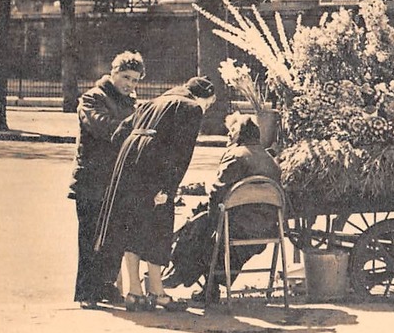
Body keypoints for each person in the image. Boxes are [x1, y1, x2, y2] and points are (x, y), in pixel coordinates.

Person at [95, 76, 217, 311]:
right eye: (209, 104)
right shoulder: (190, 108)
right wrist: (167, 189)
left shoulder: (152, 102)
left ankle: (134, 292)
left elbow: (119, 133)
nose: (207, 108)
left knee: (132, 225)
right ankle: (157, 291)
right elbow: (182, 154)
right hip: (155, 170)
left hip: (129, 165)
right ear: (202, 98)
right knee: (159, 227)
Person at [164, 113, 282, 303]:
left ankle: (182, 273)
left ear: (239, 134)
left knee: (198, 228)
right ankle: (201, 282)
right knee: (203, 227)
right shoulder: (270, 160)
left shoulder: (235, 155)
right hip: (266, 230)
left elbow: (217, 194)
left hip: (235, 228)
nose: (229, 136)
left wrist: (208, 217)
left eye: (231, 132)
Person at [69, 51, 145, 309]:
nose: (129, 84)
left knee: (115, 236)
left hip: (116, 182)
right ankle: (87, 292)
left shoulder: (128, 102)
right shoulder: (92, 98)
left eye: (135, 80)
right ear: (113, 72)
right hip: (91, 180)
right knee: (90, 236)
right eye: (125, 77)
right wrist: (137, 128)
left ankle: (105, 286)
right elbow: (102, 127)